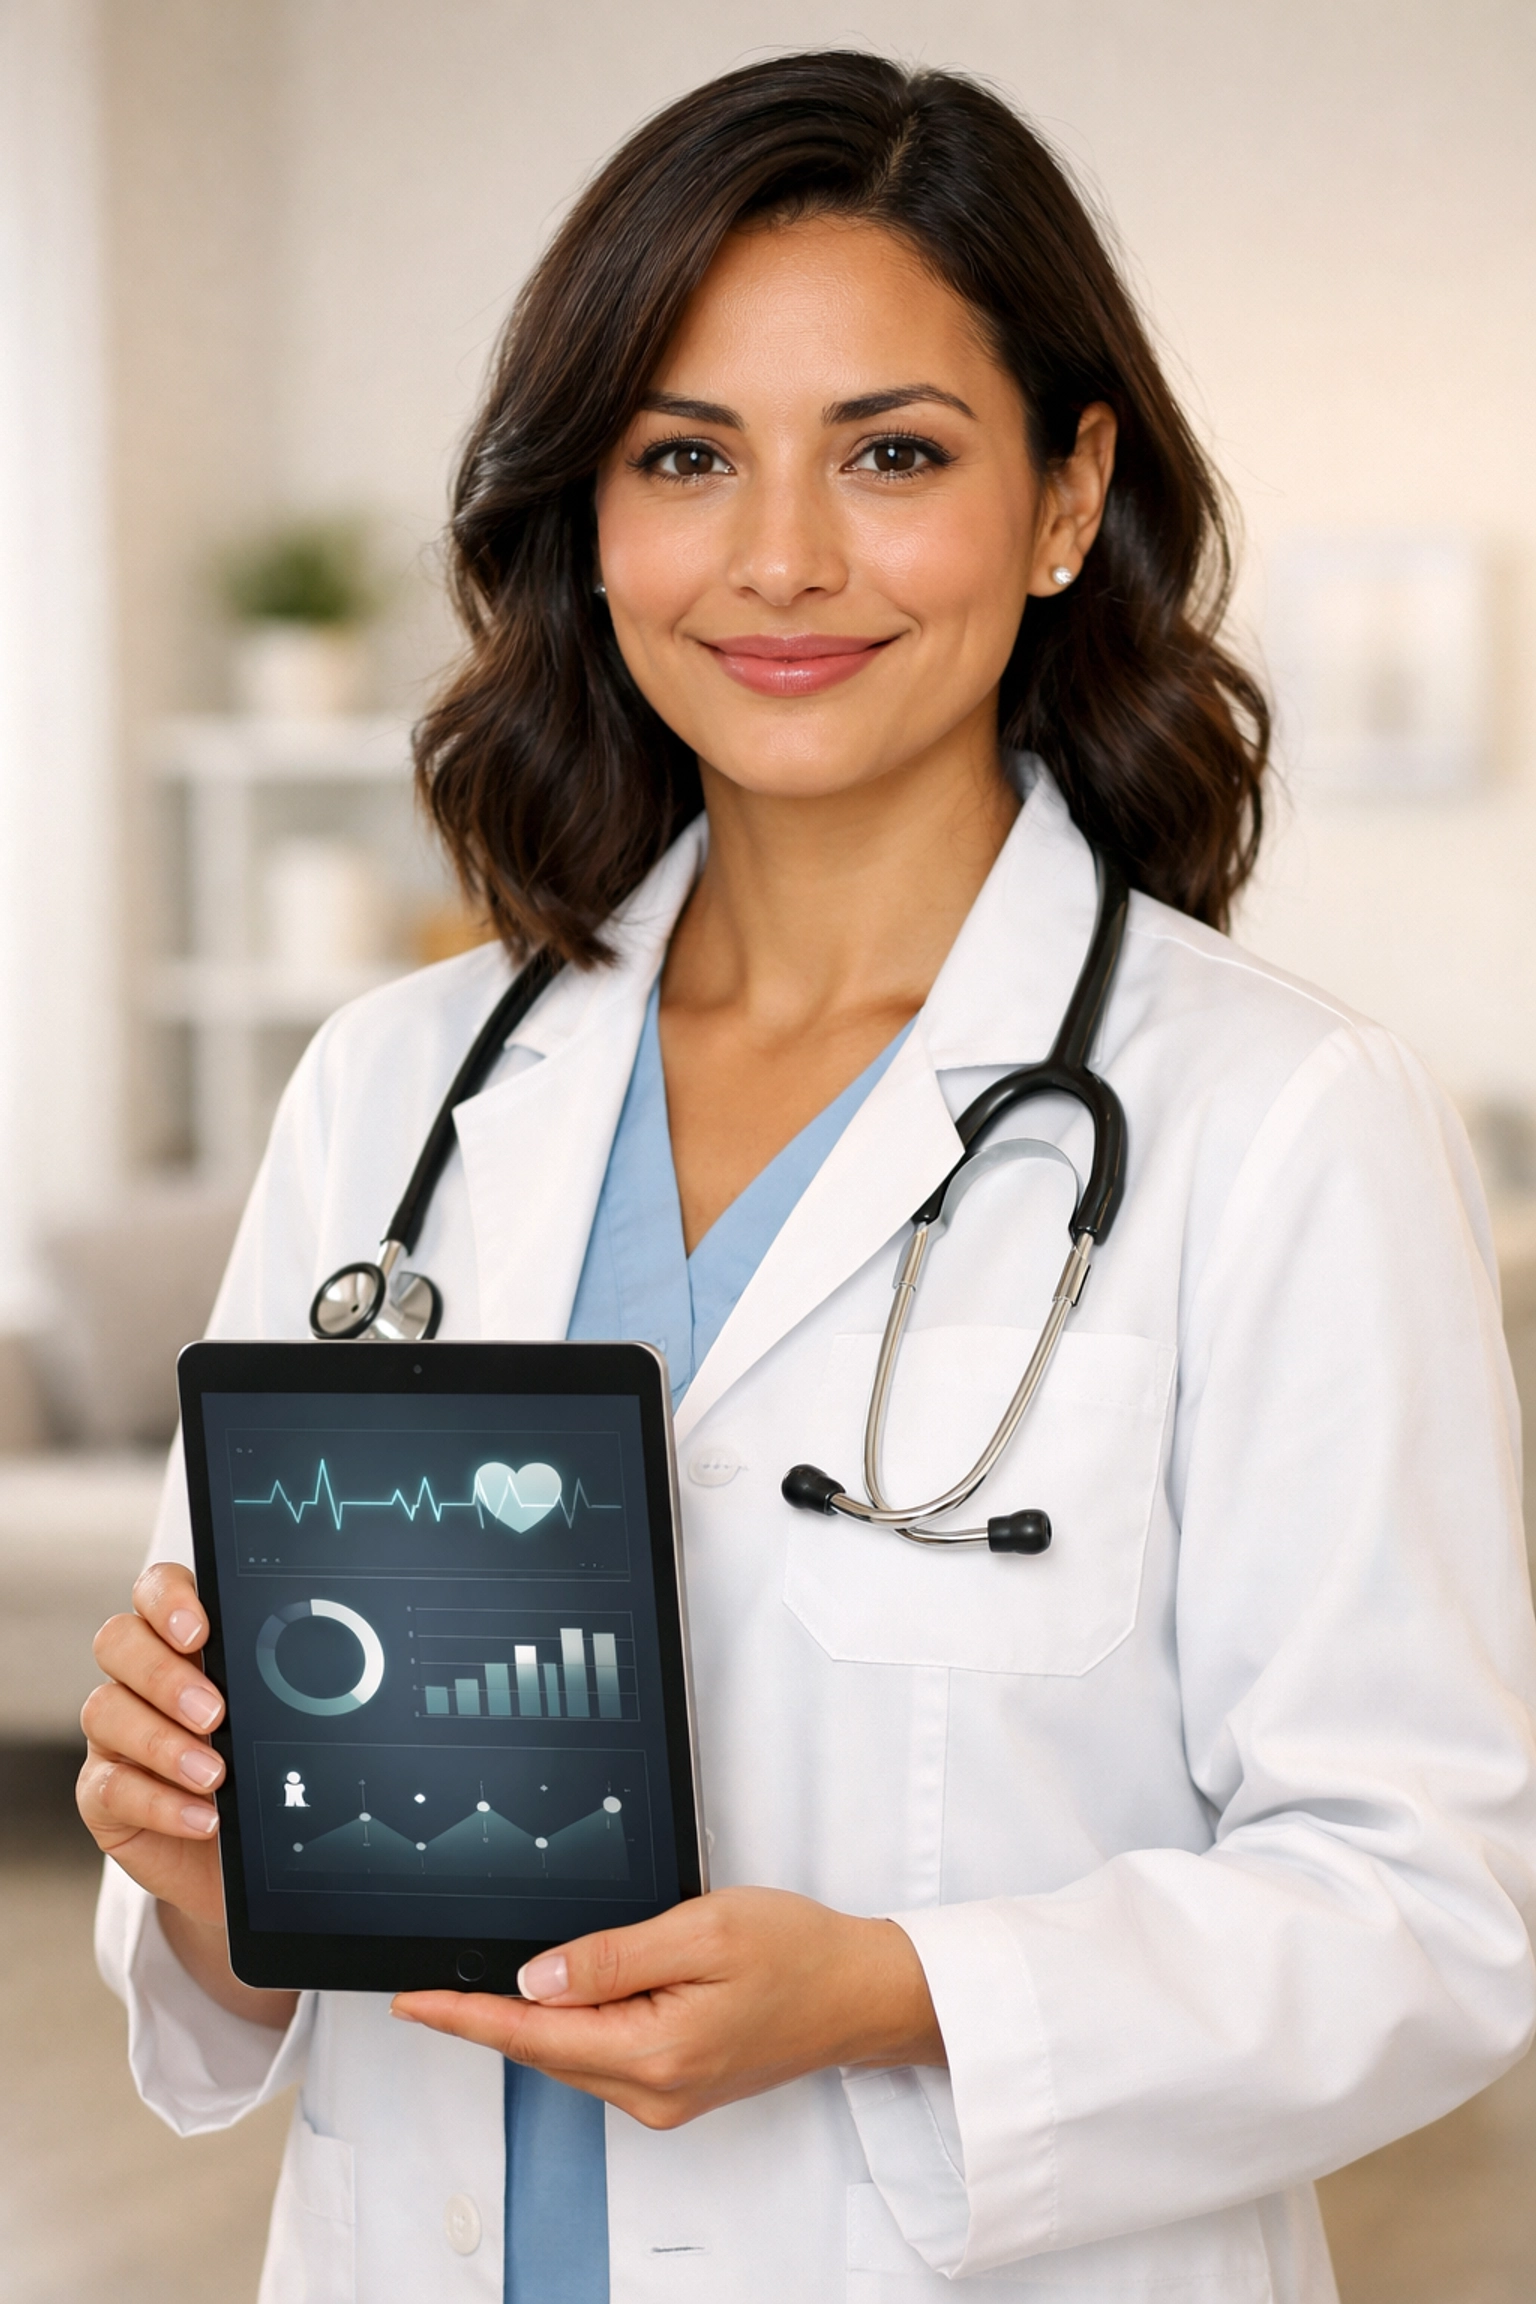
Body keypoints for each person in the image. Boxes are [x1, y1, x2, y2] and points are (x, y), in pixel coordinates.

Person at [80, 50, 1536, 2304]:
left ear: (1067, 499)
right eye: (684, 455)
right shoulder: (390, 1096)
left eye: (892, 454)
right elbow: (254, 1858)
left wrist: (891, 2000)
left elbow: (1434, 1905)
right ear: (590, 513)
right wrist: (191, 1853)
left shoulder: (1284, 1121)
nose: (779, 557)